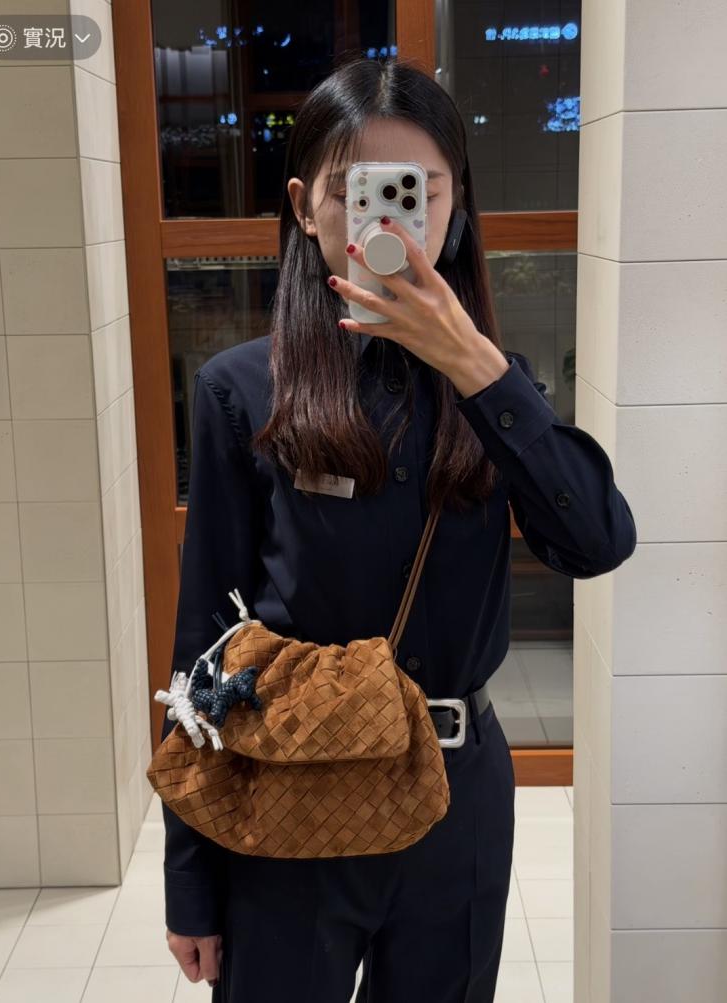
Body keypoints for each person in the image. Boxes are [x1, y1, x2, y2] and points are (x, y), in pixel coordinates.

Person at [159, 56, 637, 1002]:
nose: (383, 220)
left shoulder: (494, 388)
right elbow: (203, 646)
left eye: (418, 191)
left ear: (455, 209)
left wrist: (478, 367)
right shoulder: (241, 389)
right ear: (305, 208)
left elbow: (597, 540)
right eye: (354, 191)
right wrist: (190, 878)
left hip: (458, 799)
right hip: (293, 789)